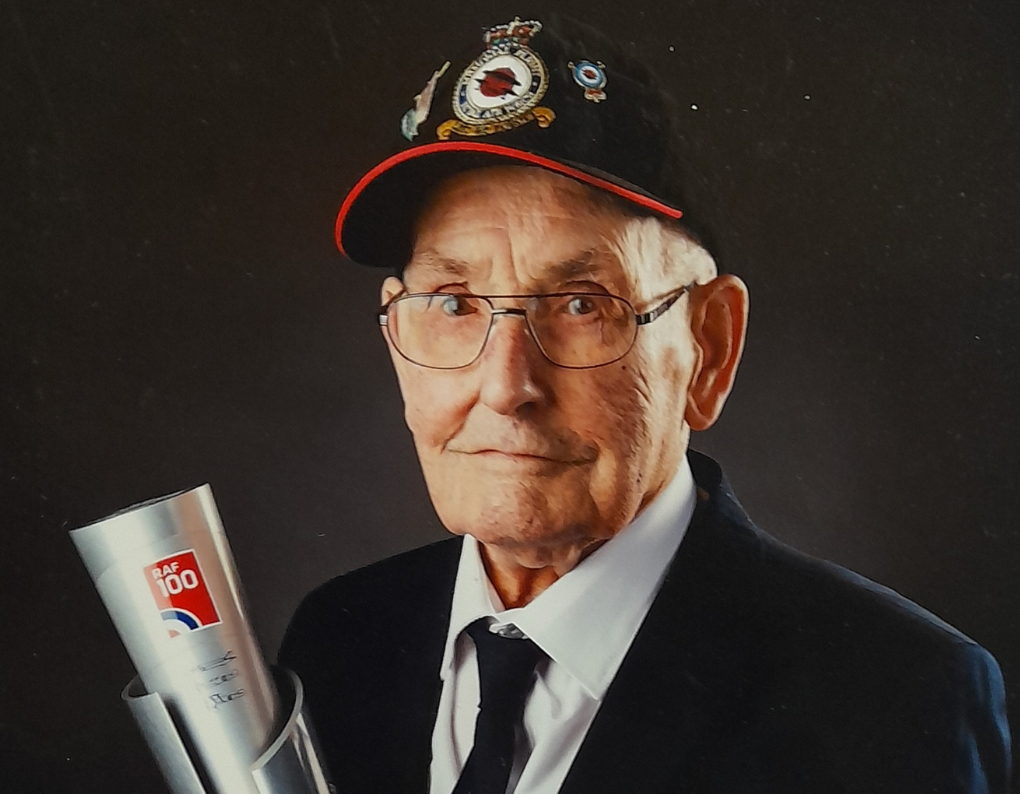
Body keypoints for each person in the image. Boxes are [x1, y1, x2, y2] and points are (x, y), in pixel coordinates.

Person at [279, 14, 1011, 794]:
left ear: (708, 348)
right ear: (396, 335)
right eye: (454, 305)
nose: (504, 385)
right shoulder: (338, 638)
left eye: (583, 305)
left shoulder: (892, 702)